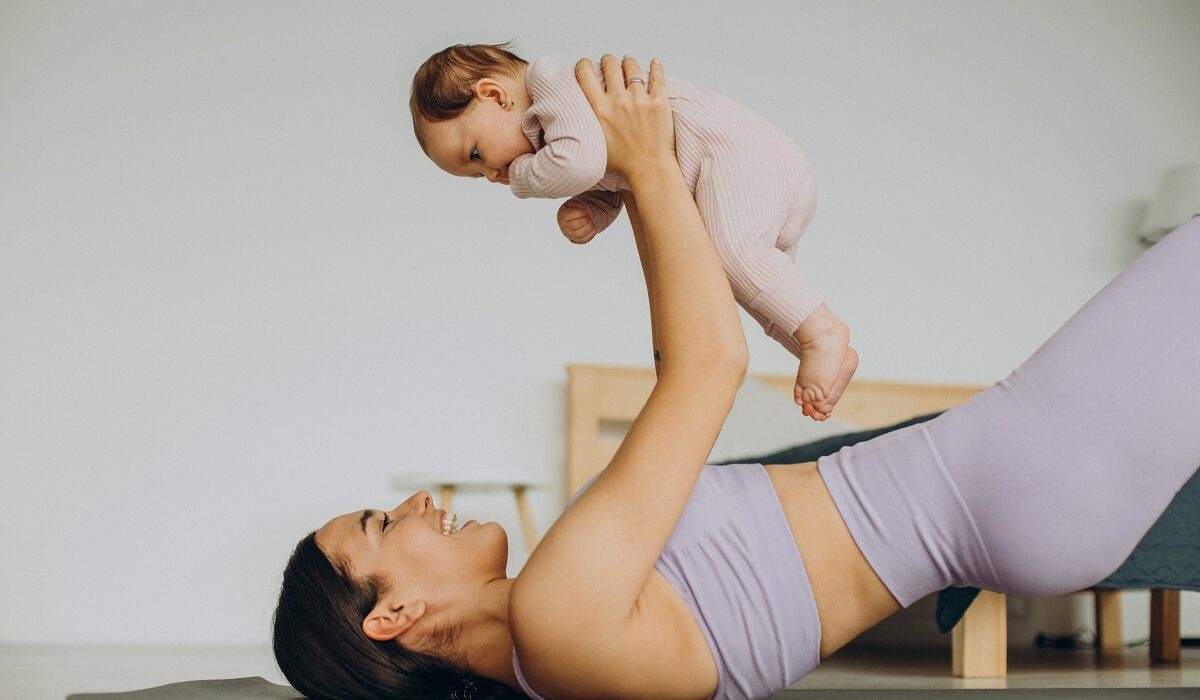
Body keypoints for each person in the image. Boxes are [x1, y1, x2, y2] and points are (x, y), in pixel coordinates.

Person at [273, 55, 1200, 700]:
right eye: (382, 524)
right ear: (392, 615)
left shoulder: (556, 642)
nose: (418, 504)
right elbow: (711, 364)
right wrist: (642, 159)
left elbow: (681, 356)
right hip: (1009, 473)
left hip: (1006, 484)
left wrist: (643, 177)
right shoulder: (556, 620)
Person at [409, 42, 857, 420]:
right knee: (734, 280)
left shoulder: (551, 85)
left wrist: (524, 179)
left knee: (732, 256)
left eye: (475, 154)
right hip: (752, 169)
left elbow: (580, 162)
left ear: (493, 94)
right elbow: (615, 173)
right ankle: (815, 349)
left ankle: (822, 334)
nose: (491, 174)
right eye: (476, 177)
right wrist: (592, 209)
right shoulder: (559, 127)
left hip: (741, 155)